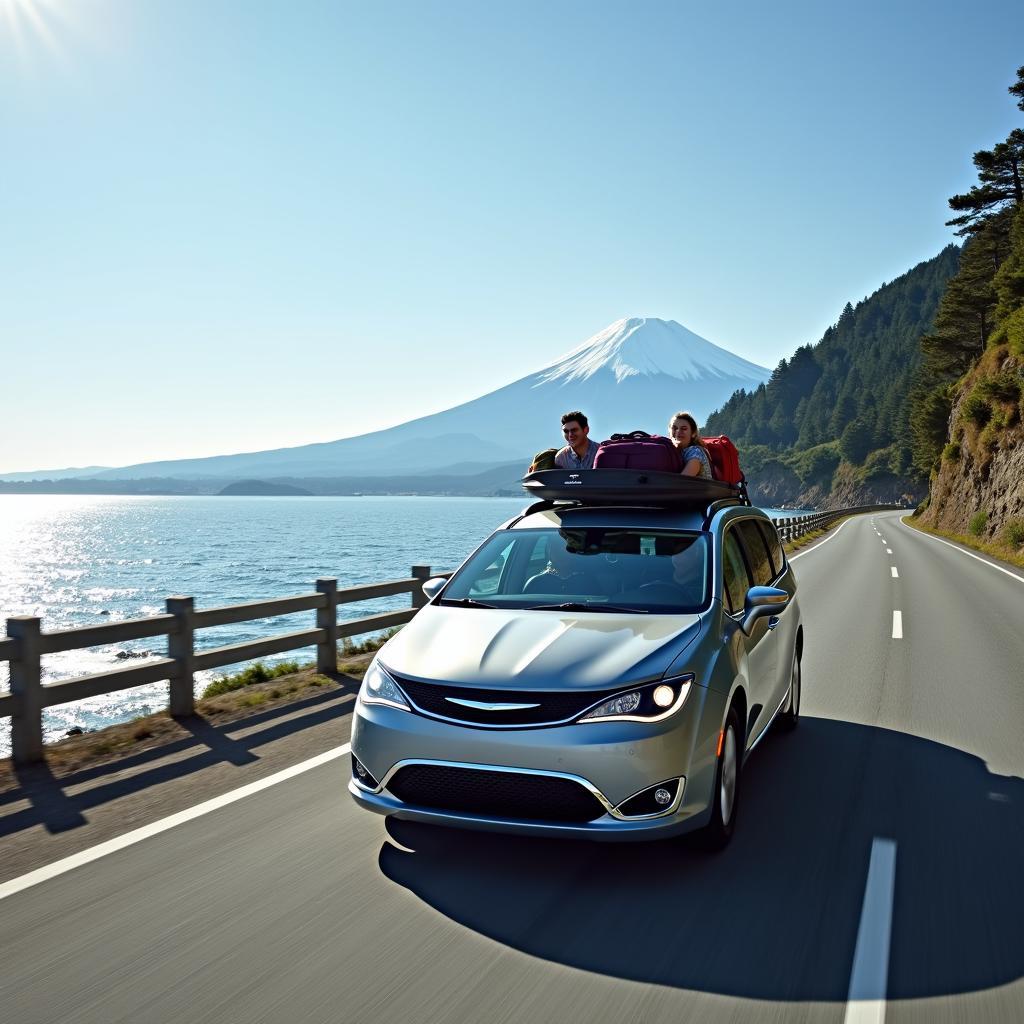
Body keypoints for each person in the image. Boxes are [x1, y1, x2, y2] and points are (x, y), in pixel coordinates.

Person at [669, 411, 713, 479]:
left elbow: (682, 481)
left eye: (684, 428)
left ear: (693, 433)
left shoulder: (695, 452)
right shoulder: (676, 452)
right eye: (674, 428)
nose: (678, 431)